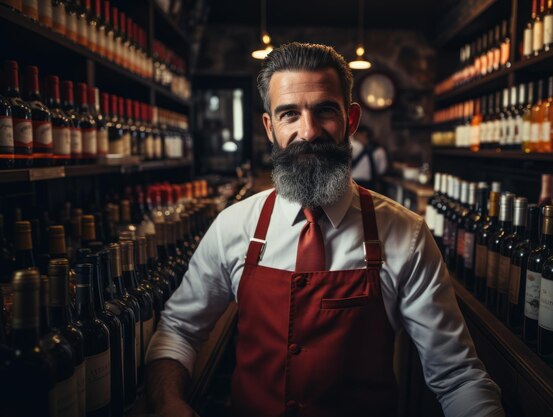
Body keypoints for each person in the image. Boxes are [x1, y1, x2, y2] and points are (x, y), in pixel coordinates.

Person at [145, 42, 504, 417]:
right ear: (270, 126)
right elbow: (179, 330)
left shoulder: (406, 235)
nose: (309, 131)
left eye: (325, 111)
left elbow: (458, 376)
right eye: (289, 114)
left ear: (351, 120)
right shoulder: (235, 226)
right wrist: (167, 400)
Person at [350, 124, 388, 192]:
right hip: (369, 185)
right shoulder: (379, 151)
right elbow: (381, 170)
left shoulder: (352, 146)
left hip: (352, 183)